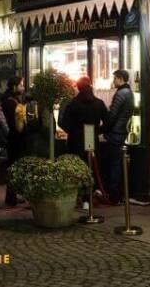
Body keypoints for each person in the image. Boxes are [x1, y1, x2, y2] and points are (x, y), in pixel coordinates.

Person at [59, 77, 107, 208]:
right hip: (92, 139)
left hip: (76, 140)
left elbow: (63, 123)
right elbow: (108, 123)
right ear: (90, 86)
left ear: (78, 88)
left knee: (76, 168)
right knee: (90, 166)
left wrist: (73, 131)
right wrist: (97, 130)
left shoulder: (73, 104)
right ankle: (89, 195)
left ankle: (80, 197)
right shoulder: (99, 103)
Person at [105, 69, 135, 204]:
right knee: (118, 164)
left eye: (115, 78)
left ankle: (114, 195)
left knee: (114, 165)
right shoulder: (129, 93)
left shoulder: (121, 94)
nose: (113, 81)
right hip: (123, 132)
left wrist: (105, 128)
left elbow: (113, 114)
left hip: (116, 133)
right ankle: (119, 193)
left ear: (120, 78)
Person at [1, 76, 27, 207]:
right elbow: (15, 123)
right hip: (14, 139)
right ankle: (11, 197)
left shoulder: (11, 99)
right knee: (13, 167)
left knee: (14, 167)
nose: (23, 88)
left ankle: (12, 195)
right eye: (21, 85)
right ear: (14, 87)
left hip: (13, 138)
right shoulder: (11, 102)